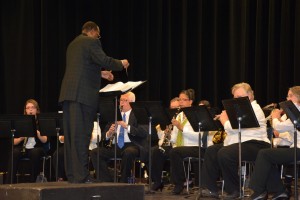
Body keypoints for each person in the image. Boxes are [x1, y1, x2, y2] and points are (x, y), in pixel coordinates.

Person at [58, 21, 129, 183]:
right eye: (99, 35)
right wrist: (121, 63)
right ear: (93, 32)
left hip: (69, 95)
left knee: (71, 137)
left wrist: (100, 74)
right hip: (82, 97)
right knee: (82, 135)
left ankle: (73, 175)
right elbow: (104, 60)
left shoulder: (73, 44)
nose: (99, 38)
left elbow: (82, 68)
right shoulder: (91, 41)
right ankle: (82, 176)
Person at [201, 82, 270, 199]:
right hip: (238, 143)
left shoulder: (255, 109)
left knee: (225, 153)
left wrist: (224, 120)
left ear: (250, 95)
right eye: (235, 97)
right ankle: (210, 188)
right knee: (212, 150)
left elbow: (237, 129)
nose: (236, 100)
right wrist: (226, 118)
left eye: (239, 97)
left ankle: (234, 190)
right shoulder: (238, 109)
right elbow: (234, 132)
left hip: (256, 144)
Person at [249, 86, 300, 200]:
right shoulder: (295, 112)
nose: (287, 98)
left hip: (298, 149)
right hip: (295, 147)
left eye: (289, 96)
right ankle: (279, 191)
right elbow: (290, 129)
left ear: (296, 97)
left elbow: (279, 127)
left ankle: (259, 191)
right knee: (267, 156)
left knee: (264, 154)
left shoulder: (297, 111)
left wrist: (275, 117)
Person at [90, 92, 148, 183]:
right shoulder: (114, 115)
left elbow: (144, 132)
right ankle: (106, 181)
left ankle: (123, 182)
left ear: (132, 102)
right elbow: (103, 136)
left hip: (132, 145)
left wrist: (126, 126)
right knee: (95, 152)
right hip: (115, 146)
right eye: (120, 100)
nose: (121, 103)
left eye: (125, 100)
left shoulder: (138, 114)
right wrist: (109, 133)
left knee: (128, 152)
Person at [156, 89, 205, 195]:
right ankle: (156, 181)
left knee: (175, 152)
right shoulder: (179, 115)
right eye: (180, 99)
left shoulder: (197, 114)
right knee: (157, 150)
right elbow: (174, 137)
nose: (181, 102)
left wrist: (181, 127)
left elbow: (198, 136)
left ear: (191, 101)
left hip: (195, 146)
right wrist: (168, 135)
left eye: (184, 100)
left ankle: (180, 183)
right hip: (180, 147)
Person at [6, 99, 48, 183]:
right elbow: (13, 142)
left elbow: (45, 140)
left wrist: (38, 134)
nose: (30, 110)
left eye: (33, 107)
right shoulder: (21, 122)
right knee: (14, 152)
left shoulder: (41, 122)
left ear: (37, 110)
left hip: (37, 148)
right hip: (24, 148)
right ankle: (9, 183)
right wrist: (21, 138)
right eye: (28, 108)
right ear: (25, 110)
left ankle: (32, 182)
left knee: (34, 152)